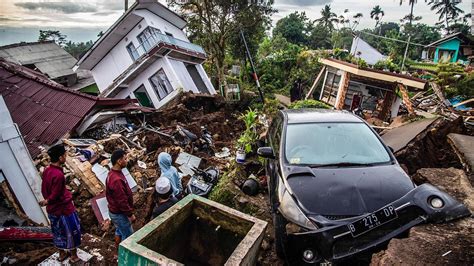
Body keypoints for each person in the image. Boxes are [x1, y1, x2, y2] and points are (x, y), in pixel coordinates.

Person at [40, 144, 81, 263]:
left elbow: (44, 189)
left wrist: (47, 200)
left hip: (52, 210)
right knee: (72, 232)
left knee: (57, 232)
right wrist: (49, 200)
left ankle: (61, 253)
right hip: (63, 209)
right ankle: (74, 256)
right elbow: (56, 194)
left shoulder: (47, 171)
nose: (66, 157)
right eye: (64, 155)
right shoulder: (58, 175)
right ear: (60, 158)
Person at [106, 149, 135, 247]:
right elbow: (122, 201)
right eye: (125, 159)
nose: (127, 160)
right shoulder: (116, 180)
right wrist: (130, 214)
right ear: (119, 161)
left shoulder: (113, 173)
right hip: (119, 214)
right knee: (129, 237)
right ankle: (124, 258)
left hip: (115, 212)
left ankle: (116, 249)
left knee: (119, 230)